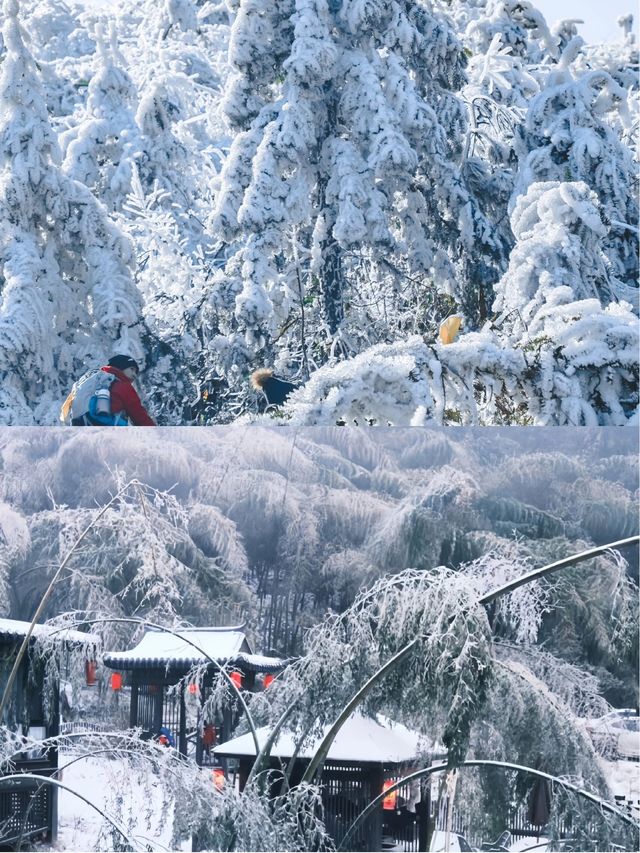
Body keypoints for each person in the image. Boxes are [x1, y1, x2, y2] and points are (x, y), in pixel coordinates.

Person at [67, 355, 156, 426]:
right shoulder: (123, 386)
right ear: (121, 366)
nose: (134, 375)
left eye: (136, 372)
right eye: (132, 369)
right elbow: (138, 414)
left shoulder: (95, 382)